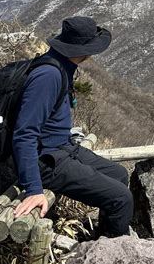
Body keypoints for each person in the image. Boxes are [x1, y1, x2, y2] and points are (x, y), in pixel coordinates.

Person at [12, 16, 134, 238]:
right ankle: (115, 256)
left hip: (62, 148)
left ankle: (105, 239)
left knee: (119, 174)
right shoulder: (48, 76)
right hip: (46, 161)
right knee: (121, 199)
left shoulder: (62, 65)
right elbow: (24, 134)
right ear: (85, 50)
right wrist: (33, 189)